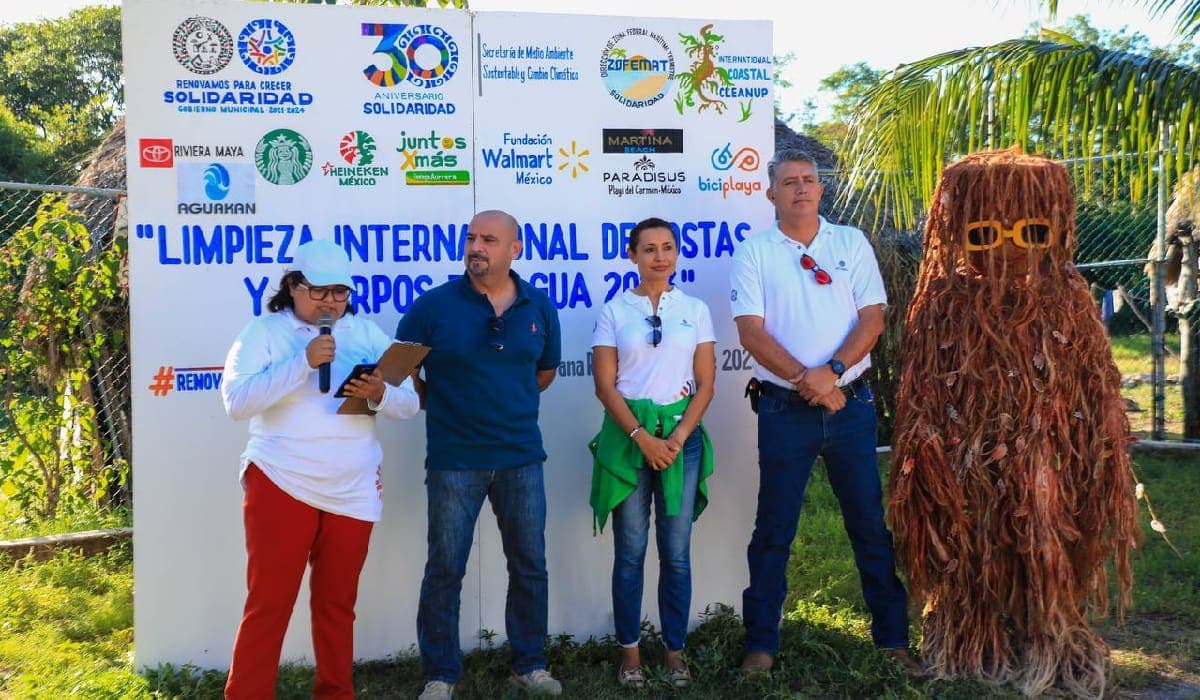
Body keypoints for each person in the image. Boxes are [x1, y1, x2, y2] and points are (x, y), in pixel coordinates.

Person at [728, 149, 923, 677]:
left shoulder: (850, 242)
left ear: (820, 189)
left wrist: (831, 373)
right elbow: (751, 330)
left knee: (868, 526)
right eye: (789, 182)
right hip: (784, 410)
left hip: (850, 406)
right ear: (770, 194)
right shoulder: (754, 252)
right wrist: (806, 381)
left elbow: (873, 318)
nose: (800, 188)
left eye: (808, 181)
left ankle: (893, 641)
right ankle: (761, 646)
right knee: (774, 530)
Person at [221, 238, 421, 699]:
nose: (331, 301)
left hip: (353, 487)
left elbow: (410, 403)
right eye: (319, 291)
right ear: (293, 285)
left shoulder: (366, 332)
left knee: (337, 604)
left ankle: (336, 692)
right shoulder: (263, 332)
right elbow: (236, 402)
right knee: (269, 602)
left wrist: (379, 393)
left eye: (340, 292)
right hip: (280, 478)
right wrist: (302, 362)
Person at [395, 210, 563, 700]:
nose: (476, 247)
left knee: (529, 564)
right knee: (445, 568)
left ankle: (529, 664)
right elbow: (402, 371)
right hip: (454, 459)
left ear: (515, 248)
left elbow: (544, 373)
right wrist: (441, 401)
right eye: (470, 238)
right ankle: (440, 674)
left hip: (521, 458)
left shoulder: (539, 307)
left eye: (488, 239)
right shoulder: (432, 307)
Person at [589, 217, 717, 689]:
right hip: (629, 442)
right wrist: (643, 437)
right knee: (631, 553)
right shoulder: (614, 311)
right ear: (633, 255)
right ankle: (630, 656)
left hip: (681, 444)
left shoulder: (695, 309)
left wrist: (678, 438)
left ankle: (675, 653)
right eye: (648, 249)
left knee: (677, 554)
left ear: (677, 254)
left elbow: (706, 384)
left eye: (667, 248)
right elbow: (606, 386)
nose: (659, 256)